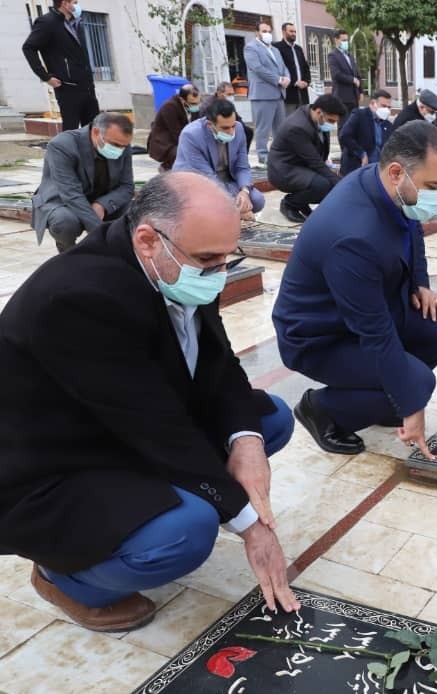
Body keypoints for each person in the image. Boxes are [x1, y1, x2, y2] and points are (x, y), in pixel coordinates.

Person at [0, 171, 298, 632]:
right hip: (55, 465)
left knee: (266, 422)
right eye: (208, 260)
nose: (219, 272)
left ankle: (169, 498)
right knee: (187, 530)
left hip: (124, 424)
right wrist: (249, 525)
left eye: (226, 258)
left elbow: (219, 365)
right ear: (147, 240)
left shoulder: (179, 265)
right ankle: (64, 575)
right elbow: (155, 427)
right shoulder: (79, 297)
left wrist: (246, 442)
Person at [272, 120, 437, 455]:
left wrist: (420, 283)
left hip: (368, 309)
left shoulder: (386, 187)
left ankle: (383, 396)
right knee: (417, 383)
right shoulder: (352, 237)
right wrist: (411, 403)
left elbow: (412, 228)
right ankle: (324, 409)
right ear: (396, 172)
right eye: (433, 185)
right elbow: (375, 334)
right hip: (320, 336)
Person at [32, 112, 134, 254]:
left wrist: (102, 205)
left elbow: (127, 186)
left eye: (124, 146)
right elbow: (71, 194)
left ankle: (127, 254)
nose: (119, 150)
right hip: (63, 200)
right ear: (96, 132)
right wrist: (102, 236)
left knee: (139, 212)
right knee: (65, 222)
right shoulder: (62, 145)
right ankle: (69, 254)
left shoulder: (122, 144)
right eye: (115, 145)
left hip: (101, 197)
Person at [174, 98, 265, 219]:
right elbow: (207, 178)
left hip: (225, 180)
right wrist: (236, 209)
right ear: (210, 124)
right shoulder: (191, 135)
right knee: (209, 209)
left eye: (233, 125)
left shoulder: (239, 129)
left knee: (257, 200)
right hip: (197, 183)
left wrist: (244, 192)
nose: (231, 131)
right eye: (225, 128)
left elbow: (242, 166)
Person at [22, 0, 100, 131]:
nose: (77, 5)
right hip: (67, 86)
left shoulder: (76, 23)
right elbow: (29, 47)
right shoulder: (47, 23)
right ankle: (67, 152)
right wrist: (45, 77)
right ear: (65, 3)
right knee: (71, 130)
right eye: (74, 2)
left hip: (86, 86)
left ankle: (90, 152)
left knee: (93, 129)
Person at [268, 94, 347, 223]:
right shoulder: (297, 127)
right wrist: (341, 183)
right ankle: (290, 204)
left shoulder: (316, 118)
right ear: (319, 112)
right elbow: (315, 162)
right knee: (323, 185)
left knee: (328, 185)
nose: (332, 125)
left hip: (300, 166)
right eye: (331, 121)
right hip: (283, 170)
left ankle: (301, 202)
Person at [243, 22, 289, 166]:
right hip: (262, 94)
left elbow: (283, 67)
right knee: (263, 127)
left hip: (279, 93)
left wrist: (287, 77)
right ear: (257, 33)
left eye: (269, 31)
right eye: (264, 31)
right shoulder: (251, 48)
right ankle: (262, 155)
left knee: (280, 128)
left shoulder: (275, 50)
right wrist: (278, 79)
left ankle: (279, 153)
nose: (267, 33)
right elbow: (258, 68)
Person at [338, 88, 394, 176]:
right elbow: (344, 136)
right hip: (357, 167)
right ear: (372, 104)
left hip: (377, 171)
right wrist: (361, 153)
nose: (387, 110)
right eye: (383, 106)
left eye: (389, 107)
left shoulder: (387, 125)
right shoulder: (359, 115)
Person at [148, 84, 200, 171]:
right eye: (193, 103)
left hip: (181, 137)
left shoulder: (193, 107)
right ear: (181, 99)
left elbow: (196, 126)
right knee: (182, 153)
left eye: (198, 102)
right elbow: (176, 133)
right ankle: (166, 169)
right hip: (165, 142)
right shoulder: (169, 107)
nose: (196, 105)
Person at [203, 81, 254, 153]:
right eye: (229, 94)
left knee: (248, 132)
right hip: (215, 128)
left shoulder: (228, 103)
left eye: (233, 94)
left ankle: (242, 155)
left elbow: (237, 118)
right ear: (219, 93)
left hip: (230, 125)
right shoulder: (209, 105)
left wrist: (239, 128)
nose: (231, 97)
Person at [274, 23, 311, 115]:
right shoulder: (277, 48)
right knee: (289, 122)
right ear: (283, 32)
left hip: (302, 93)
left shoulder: (298, 49)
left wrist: (306, 81)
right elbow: (278, 70)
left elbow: (305, 67)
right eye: (291, 31)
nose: (294, 34)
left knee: (303, 121)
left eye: (295, 31)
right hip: (288, 94)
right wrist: (294, 82)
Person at [328, 29, 362, 114]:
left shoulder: (350, 56)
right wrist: (352, 80)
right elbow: (336, 74)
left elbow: (357, 74)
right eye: (343, 40)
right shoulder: (333, 55)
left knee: (354, 124)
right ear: (336, 40)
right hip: (342, 97)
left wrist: (361, 92)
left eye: (347, 40)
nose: (346, 43)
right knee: (344, 124)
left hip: (354, 97)